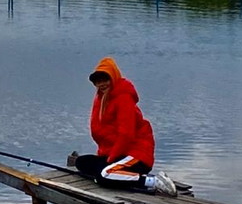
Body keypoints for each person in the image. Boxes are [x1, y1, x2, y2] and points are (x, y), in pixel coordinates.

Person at [74, 57, 177, 196]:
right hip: (117, 153)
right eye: (98, 81)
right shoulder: (102, 97)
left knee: (104, 175)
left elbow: (126, 134)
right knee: (81, 162)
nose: (101, 84)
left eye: (105, 79)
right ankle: (115, 175)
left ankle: (154, 182)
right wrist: (106, 157)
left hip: (136, 154)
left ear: (114, 77)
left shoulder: (123, 98)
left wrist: (110, 160)